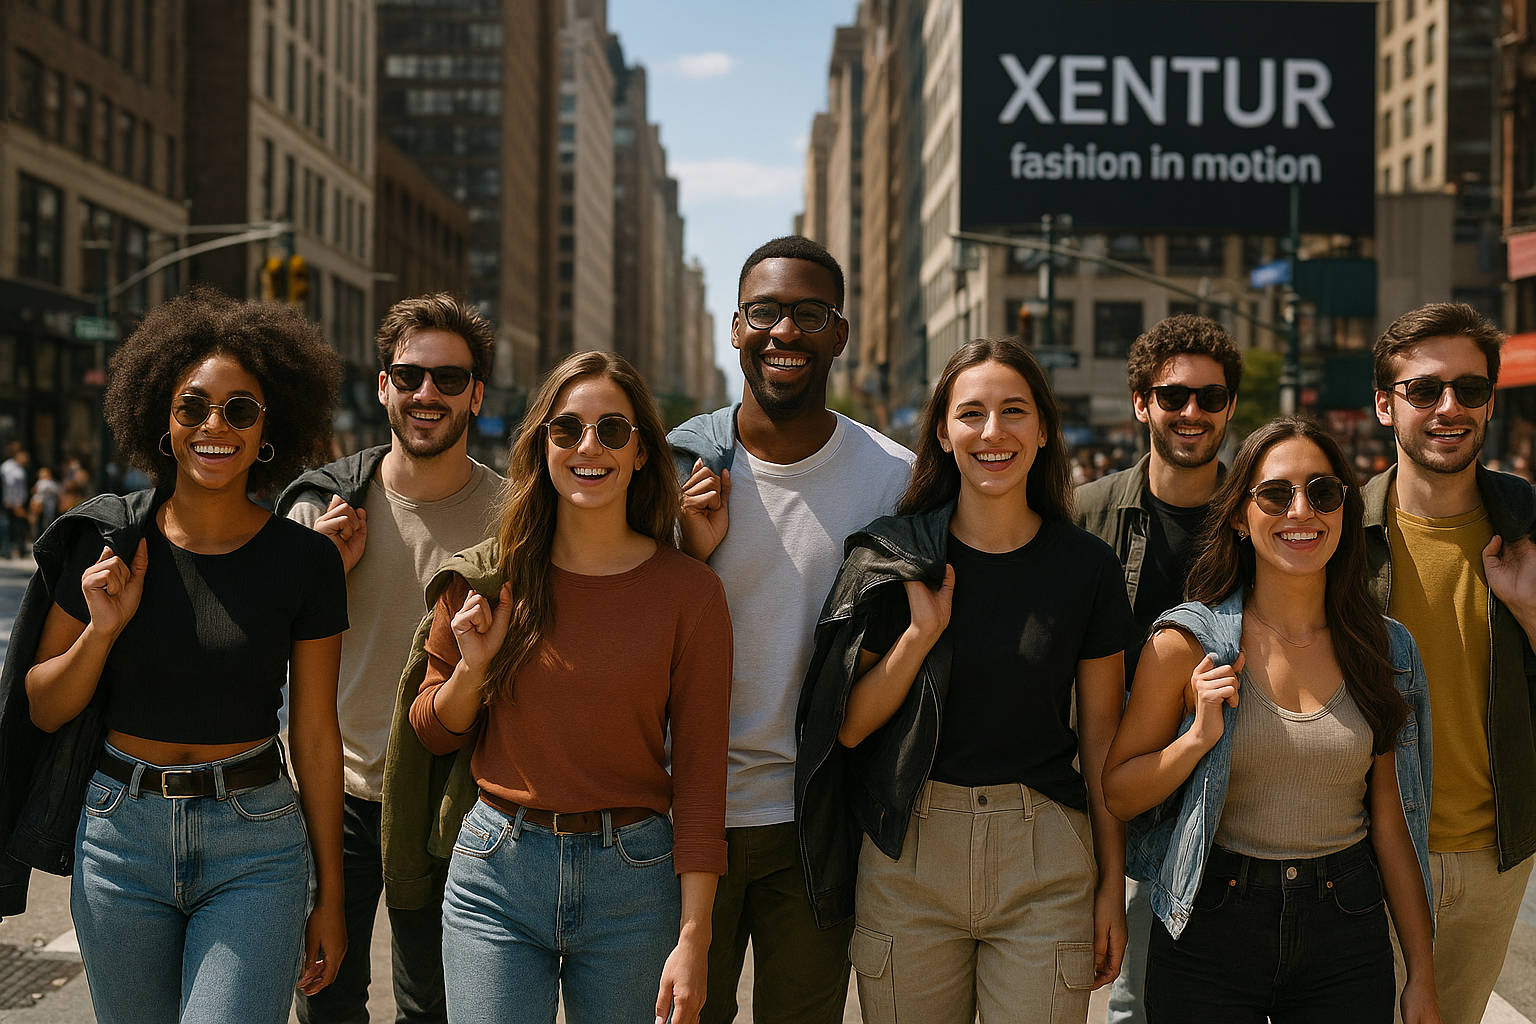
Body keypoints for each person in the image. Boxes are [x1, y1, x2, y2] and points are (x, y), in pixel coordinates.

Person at [18, 288, 349, 1023]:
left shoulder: (307, 563)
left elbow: (319, 739)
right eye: (192, 406)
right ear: (162, 421)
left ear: (269, 428)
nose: (213, 426)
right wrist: (102, 629)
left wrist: (330, 894)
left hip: (255, 845)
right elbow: (42, 705)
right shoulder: (109, 544)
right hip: (119, 840)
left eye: (240, 410)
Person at [798, 338, 1134, 1023]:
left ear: (1043, 431)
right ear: (944, 434)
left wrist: (1109, 887)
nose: (993, 432)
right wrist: (919, 635)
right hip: (909, 854)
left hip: (1046, 860)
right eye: (971, 413)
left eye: (1014, 412)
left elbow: (1101, 738)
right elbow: (850, 726)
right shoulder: (895, 556)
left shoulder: (1088, 568)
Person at [407, 350, 731, 1024]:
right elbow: (432, 728)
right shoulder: (490, 574)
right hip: (497, 872)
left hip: (634, 885)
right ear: (542, 445)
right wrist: (476, 667)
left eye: (613, 430)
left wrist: (694, 940)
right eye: (568, 430)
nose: (590, 447)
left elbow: (702, 779)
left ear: (641, 451)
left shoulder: (690, 592)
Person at [1102, 417, 1439, 1024]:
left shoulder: (1384, 650)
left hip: (1347, 933)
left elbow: (1393, 825)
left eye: (1323, 491)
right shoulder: (1187, 643)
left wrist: (1421, 975)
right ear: (1239, 515)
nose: (1301, 510)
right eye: (1277, 494)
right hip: (1210, 924)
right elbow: (1120, 792)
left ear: (1344, 507)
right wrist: (1198, 738)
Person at [667, 235, 914, 1024]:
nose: (785, 333)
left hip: (819, 824)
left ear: (839, 333)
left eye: (810, 314)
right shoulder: (674, 468)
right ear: (734, 329)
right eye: (765, 313)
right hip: (677, 818)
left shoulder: (894, 479)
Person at [277, 293, 502, 1024]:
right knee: (325, 1000)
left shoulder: (519, 516)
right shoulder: (320, 511)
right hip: (330, 796)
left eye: (447, 379)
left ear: (477, 394)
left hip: (450, 799)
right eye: (408, 377)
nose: (425, 394)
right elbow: (248, 644)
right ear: (383, 387)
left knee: (433, 1008)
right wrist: (320, 578)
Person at [1368, 302, 1536, 1024]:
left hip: (1494, 858)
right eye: (1424, 389)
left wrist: (1531, 613)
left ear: (1491, 402)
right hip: (1362, 855)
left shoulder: (1529, 525)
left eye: (1470, 390)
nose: (1449, 407)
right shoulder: (1336, 529)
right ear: (1384, 404)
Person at [1074, 314, 1242, 1024]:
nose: (1191, 412)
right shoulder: (1089, 513)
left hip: (1238, 800)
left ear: (1231, 405)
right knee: (1134, 1005)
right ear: (1141, 403)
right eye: (1173, 397)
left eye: (1209, 397)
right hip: (1129, 796)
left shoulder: (1259, 514)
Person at [1, 443, 31, 558]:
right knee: (8, 527)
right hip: (11, 502)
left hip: (20, 502)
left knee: (19, 527)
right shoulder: (8, 468)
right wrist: (11, 501)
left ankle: (19, 549)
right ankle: (6, 550)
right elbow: (8, 486)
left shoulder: (21, 468)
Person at [30, 466, 62, 540]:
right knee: (39, 524)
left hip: (48, 507)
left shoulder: (50, 483)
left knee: (46, 523)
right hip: (40, 506)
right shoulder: (40, 482)